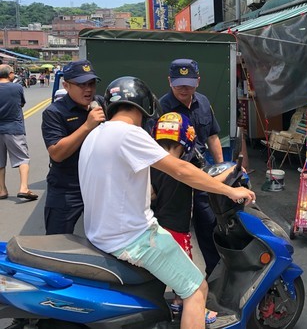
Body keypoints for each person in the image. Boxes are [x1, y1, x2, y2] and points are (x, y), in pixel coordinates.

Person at [79, 76, 255, 329]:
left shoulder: (96, 135)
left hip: (101, 235)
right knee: (196, 289)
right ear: (144, 108)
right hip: (133, 238)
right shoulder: (129, 133)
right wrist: (229, 192)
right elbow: (181, 170)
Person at [150, 112, 217, 325]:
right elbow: (207, 181)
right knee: (188, 274)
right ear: (187, 138)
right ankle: (188, 306)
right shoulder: (183, 168)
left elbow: (151, 194)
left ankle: (178, 303)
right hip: (177, 229)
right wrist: (233, 174)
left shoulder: (153, 165)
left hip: (157, 225)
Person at [159, 59, 223, 277]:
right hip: (174, 180)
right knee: (176, 230)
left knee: (208, 224)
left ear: (198, 80)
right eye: (178, 84)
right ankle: (178, 281)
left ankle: (214, 274)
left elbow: (213, 136)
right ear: (169, 81)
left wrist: (221, 166)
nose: (183, 89)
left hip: (202, 174)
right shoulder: (162, 108)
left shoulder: (203, 102)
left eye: (188, 83)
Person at [41, 60, 105, 234]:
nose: (88, 89)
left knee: (104, 240)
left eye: (91, 84)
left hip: (97, 185)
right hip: (67, 187)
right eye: (81, 84)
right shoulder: (54, 112)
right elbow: (57, 153)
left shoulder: (100, 104)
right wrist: (87, 126)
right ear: (66, 85)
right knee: (57, 240)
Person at [0, 64, 37, 201]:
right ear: (9, 74)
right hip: (14, 128)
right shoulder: (16, 87)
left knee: (0, 161)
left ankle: (2, 190)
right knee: (22, 159)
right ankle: (23, 188)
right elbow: (21, 103)